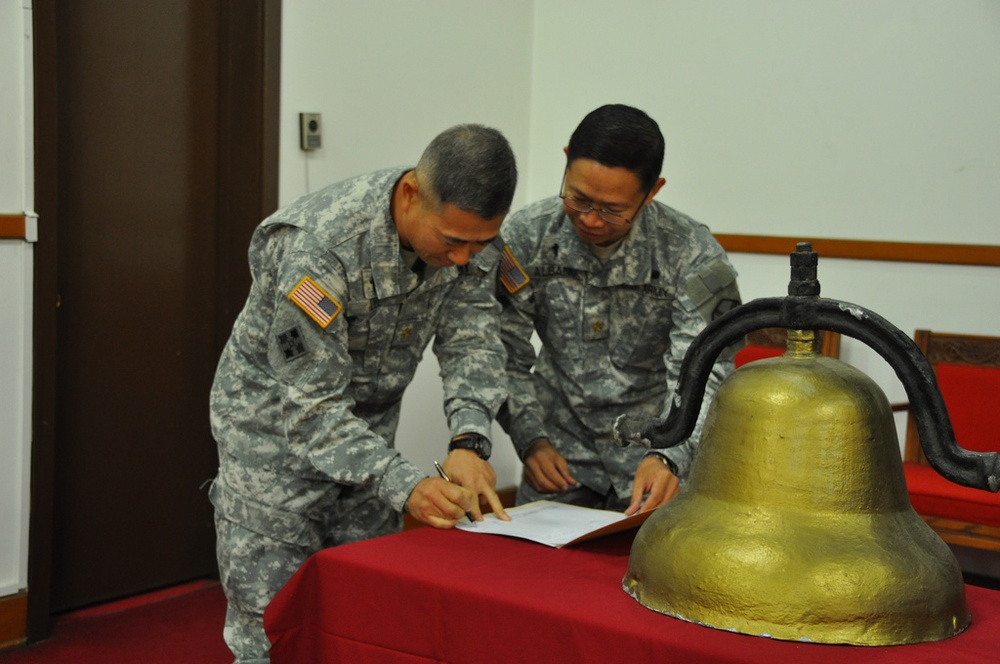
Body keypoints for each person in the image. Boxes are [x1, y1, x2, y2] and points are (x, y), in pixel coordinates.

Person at [209, 124, 517, 663]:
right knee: (272, 631)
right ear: (410, 195)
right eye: (453, 241)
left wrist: (470, 439)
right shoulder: (320, 248)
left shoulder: (469, 238)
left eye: (480, 243)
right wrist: (407, 484)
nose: (467, 259)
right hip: (273, 443)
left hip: (368, 441)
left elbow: (473, 342)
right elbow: (311, 409)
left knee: (360, 617)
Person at [496, 104, 741, 516]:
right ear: (566, 160)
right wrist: (528, 437)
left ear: (653, 191)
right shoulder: (526, 237)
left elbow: (707, 369)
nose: (591, 219)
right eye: (578, 198)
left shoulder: (691, 252)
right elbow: (502, 348)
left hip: (657, 468)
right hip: (557, 462)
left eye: (612, 209)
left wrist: (670, 453)